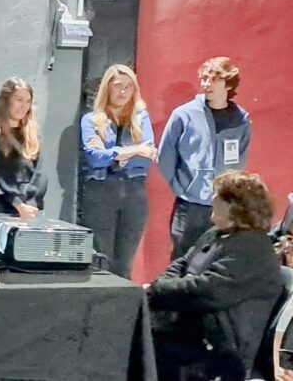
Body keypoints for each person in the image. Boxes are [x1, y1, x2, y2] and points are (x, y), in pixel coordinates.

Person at [147, 170, 283, 380]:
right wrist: (160, 285)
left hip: (221, 351)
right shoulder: (216, 234)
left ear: (236, 207)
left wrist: (156, 289)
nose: (212, 199)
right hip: (192, 331)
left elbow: (206, 291)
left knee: (145, 347)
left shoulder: (253, 250)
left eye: (218, 195)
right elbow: (182, 264)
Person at [159, 57, 252, 259]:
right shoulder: (183, 115)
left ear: (228, 84)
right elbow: (165, 155)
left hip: (224, 203)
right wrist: (180, 188)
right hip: (189, 205)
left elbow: (241, 158)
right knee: (182, 258)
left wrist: (231, 194)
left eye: (214, 79)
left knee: (216, 259)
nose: (206, 84)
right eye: (204, 79)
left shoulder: (241, 119)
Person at [78, 65, 156, 278]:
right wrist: (133, 150)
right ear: (107, 88)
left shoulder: (141, 118)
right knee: (100, 261)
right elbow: (94, 157)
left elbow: (147, 157)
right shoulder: (91, 120)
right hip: (101, 192)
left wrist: (111, 155)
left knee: (124, 264)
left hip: (134, 193)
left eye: (129, 86)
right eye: (118, 86)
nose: (123, 91)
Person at [0, 77, 47, 219]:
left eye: (28, 101)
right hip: (3, 209)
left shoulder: (33, 133)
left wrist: (31, 203)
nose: (23, 106)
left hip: (32, 209)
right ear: (6, 100)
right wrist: (18, 204)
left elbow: (41, 172)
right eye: (19, 99)